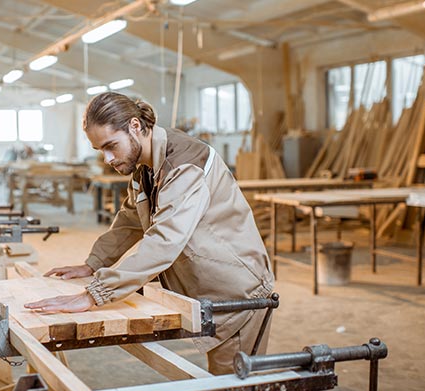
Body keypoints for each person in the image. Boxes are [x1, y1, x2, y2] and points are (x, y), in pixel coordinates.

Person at [24, 92, 274, 375]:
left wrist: (96, 293)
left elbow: (164, 242)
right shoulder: (145, 165)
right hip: (207, 285)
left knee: (231, 385)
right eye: (99, 150)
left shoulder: (184, 165)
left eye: (110, 146)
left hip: (237, 290)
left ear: (134, 127)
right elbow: (130, 219)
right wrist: (93, 263)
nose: (107, 158)